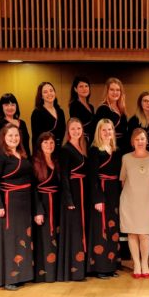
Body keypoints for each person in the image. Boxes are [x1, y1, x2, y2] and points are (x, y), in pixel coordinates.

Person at [0, 124, 35, 290]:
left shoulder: (23, 154)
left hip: (23, 204)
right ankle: (8, 278)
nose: (14, 138)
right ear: (3, 137)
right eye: (10, 135)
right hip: (7, 204)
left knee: (21, 239)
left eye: (16, 135)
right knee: (9, 241)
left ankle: (20, 275)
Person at [120, 128, 149, 278]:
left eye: (142, 139)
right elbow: (123, 180)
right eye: (137, 139)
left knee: (144, 234)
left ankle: (145, 263)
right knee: (132, 233)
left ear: (147, 141)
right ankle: (136, 264)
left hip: (147, 201)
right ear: (132, 142)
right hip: (129, 201)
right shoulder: (126, 158)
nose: (140, 142)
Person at [87, 119, 122, 278]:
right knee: (100, 228)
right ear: (99, 132)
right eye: (104, 130)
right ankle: (100, 268)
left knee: (112, 228)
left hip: (114, 192)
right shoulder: (94, 150)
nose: (107, 133)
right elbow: (92, 177)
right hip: (101, 191)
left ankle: (111, 265)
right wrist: (97, 198)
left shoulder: (116, 150)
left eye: (110, 129)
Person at [58, 118, 89, 281]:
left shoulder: (84, 147)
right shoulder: (65, 149)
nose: (76, 131)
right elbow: (63, 176)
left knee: (84, 228)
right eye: (73, 129)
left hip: (84, 192)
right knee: (75, 230)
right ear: (68, 131)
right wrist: (68, 199)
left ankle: (84, 267)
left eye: (78, 128)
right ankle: (74, 270)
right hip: (73, 193)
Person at [32, 131, 62, 283]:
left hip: (56, 202)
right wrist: (38, 211)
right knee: (44, 238)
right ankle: (44, 273)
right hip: (42, 203)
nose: (49, 145)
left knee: (56, 235)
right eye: (45, 142)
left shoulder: (57, 161)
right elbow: (33, 189)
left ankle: (56, 272)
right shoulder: (35, 162)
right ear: (40, 145)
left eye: (51, 142)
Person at [92, 77, 129, 154]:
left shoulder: (122, 109)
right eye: (112, 89)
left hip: (123, 147)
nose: (115, 92)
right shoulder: (102, 109)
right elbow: (98, 132)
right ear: (107, 91)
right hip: (109, 147)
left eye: (118, 90)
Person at [0, 93, 31, 157]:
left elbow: (26, 146)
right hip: (5, 159)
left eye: (12, 105)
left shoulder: (22, 123)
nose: (10, 107)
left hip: (23, 158)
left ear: (16, 106)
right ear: (1, 107)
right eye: (6, 105)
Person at [30, 81, 66, 146]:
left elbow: (62, 133)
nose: (49, 93)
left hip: (58, 148)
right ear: (41, 96)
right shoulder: (37, 113)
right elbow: (36, 138)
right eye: (45, 92)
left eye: (51, 91)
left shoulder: (60, 112)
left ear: (55, 93)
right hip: (44, 149)